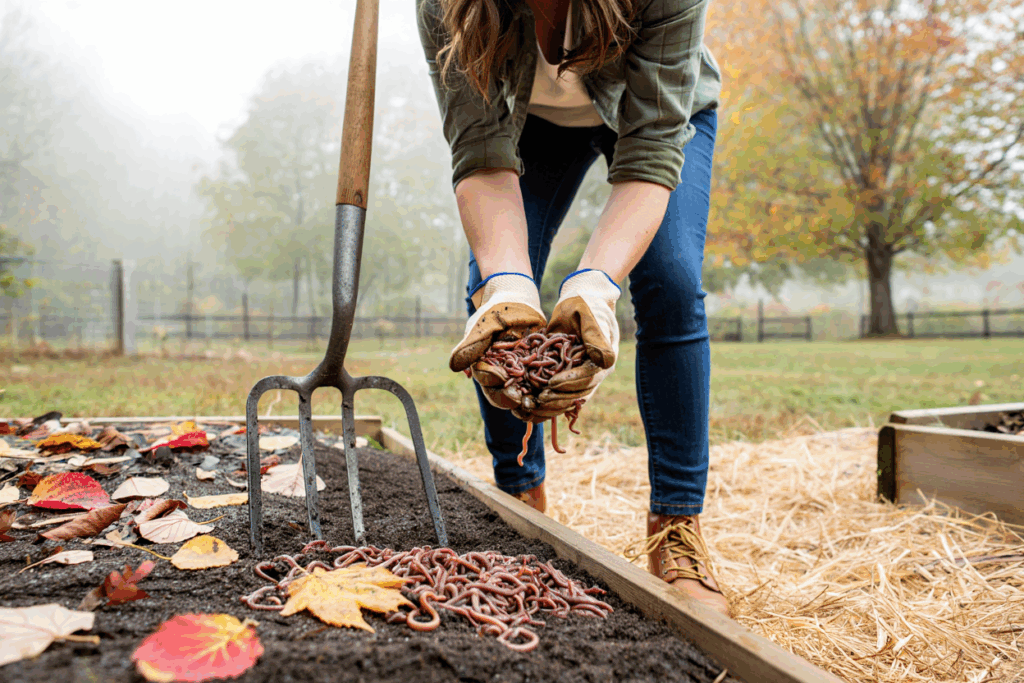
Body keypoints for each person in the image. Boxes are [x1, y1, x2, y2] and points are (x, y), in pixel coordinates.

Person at [416, 0, 730, 617]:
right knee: (492, 298)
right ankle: (521, 503)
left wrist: (594, 286)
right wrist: (508, 286)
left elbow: (652, 149)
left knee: (670, 280)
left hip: (658, 118)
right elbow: (479, 150)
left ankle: (676, 527)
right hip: (528, 125)